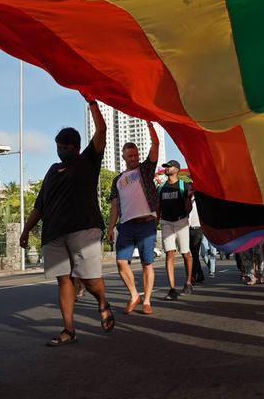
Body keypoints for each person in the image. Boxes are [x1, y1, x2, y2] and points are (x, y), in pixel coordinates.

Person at [19, 102, 112, 346]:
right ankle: (69, 330)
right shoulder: (51, 170)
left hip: (84, 228)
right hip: (54, 234)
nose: (61, 150)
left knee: (90, 280)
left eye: (65, 146)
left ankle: (102, 301)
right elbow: (40, 205)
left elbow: (101, 131)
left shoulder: (88, 161)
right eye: (58, 146)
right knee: (64, 280)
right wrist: (27, 229)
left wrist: (92, 103)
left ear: (76, 147)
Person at [107, 123, 161, 315]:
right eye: (130, 155)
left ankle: (146, 301)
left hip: (146, 224)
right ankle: (134, 295)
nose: (134, 158)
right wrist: (110, 228)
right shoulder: (118, 180)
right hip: (126, 226)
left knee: (147, 263)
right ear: (123, 156)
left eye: (136, 155)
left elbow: (155, 144)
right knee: (121, 262)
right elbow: (114, 205)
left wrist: (148, 123)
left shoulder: (145, 170)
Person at [157, 159, 195, 301]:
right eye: (166, 167)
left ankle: (188, 282)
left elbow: (188, 209)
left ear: (177, 169)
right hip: (166, 222)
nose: (167, 168)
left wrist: (188, 197)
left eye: (170, 166)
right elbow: (158, 207)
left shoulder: (183, 185)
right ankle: (172, 289)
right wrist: (155, 223)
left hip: (181, 222)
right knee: (169, 254)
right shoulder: (161, 187)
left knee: (186, 254)